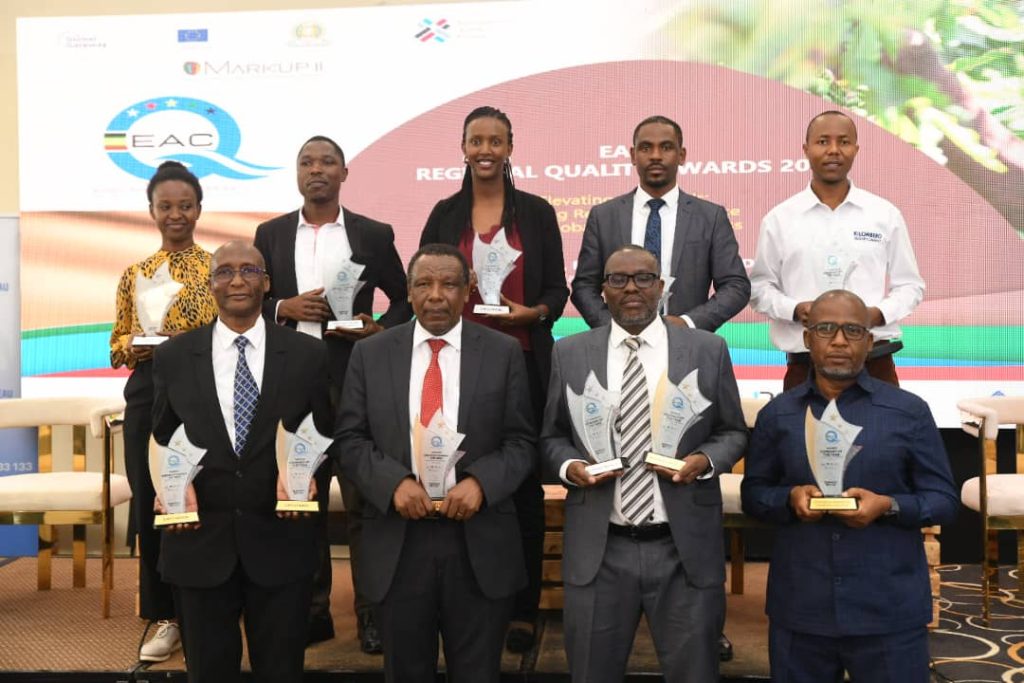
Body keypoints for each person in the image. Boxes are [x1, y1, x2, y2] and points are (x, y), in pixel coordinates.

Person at [542, 245, 747, 682]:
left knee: (695, 673)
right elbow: (552, 436)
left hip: (683, 547)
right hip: (600, 548)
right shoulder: (570, 352)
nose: (631, 288)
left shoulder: (707, 349)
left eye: (643, 278)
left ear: (662, 287)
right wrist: (569, 467)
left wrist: (705, 460)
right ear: (603, 291)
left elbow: (733, 431)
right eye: (618, 279)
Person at [335, 243, 535, 682]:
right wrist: (393, 484)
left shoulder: (502, 352)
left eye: (449, 284)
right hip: (399, 543)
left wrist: (481, 483)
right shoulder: (371, 354)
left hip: (478, 543)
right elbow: (349, 440)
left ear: (468, 290)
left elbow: (522, 442)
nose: (436, 295)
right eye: (424, 284)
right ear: (408, 292)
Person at [741, 290, 958, 683]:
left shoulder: (908, 412)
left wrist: (888, 505)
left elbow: (943, 500)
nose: (839, 341)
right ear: (807, 339)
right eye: (826, 329)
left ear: (870, 342)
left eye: (853, 331)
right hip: (802, 610)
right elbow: (754, 495)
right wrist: (789, 499)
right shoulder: (778, 414)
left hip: (889, 611)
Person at [420, 105, 569, 652]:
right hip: (451, 363)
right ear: (463, 148)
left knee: (520, 487)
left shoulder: (537, 212)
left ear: (510, 147)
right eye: (476, 140)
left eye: (495, 140)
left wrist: (535, 314)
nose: (485, 149)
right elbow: (424, 282)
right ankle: (458, 601)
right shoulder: (444, 214)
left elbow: (557, 291)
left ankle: (521, 609)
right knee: (456, 473)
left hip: (520, 363)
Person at [151, 240, 335, 683]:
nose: (237, 280)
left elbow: (326, 435)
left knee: (281, 670)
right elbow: (160, 438)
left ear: (267, 284)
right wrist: (167, 489)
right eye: (225, 272)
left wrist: (309, 478)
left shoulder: (308, 355)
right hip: (199, 542)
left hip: (280, 541)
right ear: (210, 284)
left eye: (249, 271)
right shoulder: (173, 356)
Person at [254, 135, 410, 651]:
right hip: (293, 386)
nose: (316, 169)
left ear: (344, 173)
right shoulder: (271, 234)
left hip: (356, 381)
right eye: (307, 162)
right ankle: (312, 611)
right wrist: (283, 308)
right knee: (302, 501)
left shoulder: (372, 233)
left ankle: (372, 615)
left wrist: (379, 329)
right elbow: (250, 299)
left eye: (327, 162)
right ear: (297, 173)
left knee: (364, 503)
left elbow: (404, 298)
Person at [109, 160, 216, 663]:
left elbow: (228, 336)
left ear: (199, 209)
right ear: (151, 211)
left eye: (185, 206)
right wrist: (136, 345)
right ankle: (164, 615)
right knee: (152, 503)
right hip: (146, 394)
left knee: (203, 498)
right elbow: (116, 345)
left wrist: (182, 341)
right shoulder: (134, 274)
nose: (176, 215)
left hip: (201, 394)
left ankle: (210, 603)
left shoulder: (218, 269)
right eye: (165, 206)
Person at [749, 110, 926, 390]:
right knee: (800, 423)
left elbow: (910, 286)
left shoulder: (884, 214)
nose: (833, 150)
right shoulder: (780, 219)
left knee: (887, 422)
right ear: (806, 150)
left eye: (843, 142)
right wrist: (795, 310)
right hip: (805, 365)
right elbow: (759, 288)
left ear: (856, 149)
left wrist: (875, 314)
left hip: (874, 361)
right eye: (823, 142)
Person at [571, 115, 750, 333]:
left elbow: (736, 286)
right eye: (646, 148)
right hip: (617, 344)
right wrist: (614, 329)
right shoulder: (604, 216)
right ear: (633, 155)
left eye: (666, 147)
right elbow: (584, 286)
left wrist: (688, 324)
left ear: (681, 155)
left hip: (686, 343)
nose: (655, 156)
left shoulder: (710, 217)